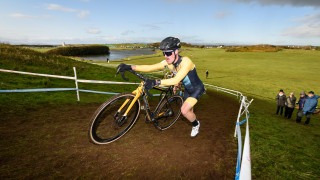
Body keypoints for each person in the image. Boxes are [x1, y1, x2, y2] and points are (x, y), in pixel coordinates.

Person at [117, 37, 205, 137]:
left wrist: (155, 82)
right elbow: (151, 67)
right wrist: (130, 66)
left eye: (168, 53)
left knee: (184, 111)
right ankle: (192, 118)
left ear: (176, 51)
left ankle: (196, 124)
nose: (166, 56)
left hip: (197, 88)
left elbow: (175, 80)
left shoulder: (186, 62)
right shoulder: (169, 63)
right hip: (187, 90)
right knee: (189, 111)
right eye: (164, 53)